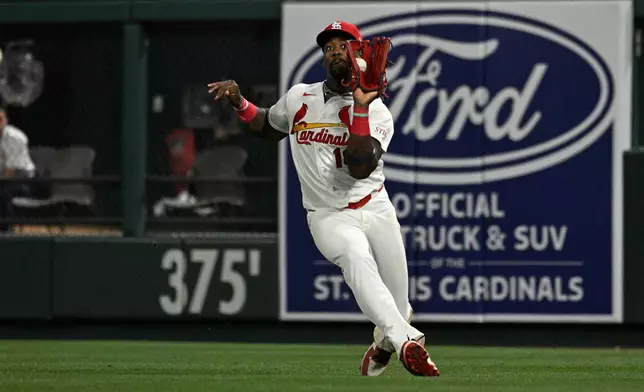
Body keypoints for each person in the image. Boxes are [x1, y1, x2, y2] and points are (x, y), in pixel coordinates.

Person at [207, 21, 440, 378]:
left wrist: (361, 106)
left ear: (360, 54)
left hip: (375, 207)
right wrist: (241, 103)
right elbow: (271, 126)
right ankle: (409, 343)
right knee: (355, 258)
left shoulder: (377, 111)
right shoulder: (301, 96)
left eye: (344, 45)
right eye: (329, 46)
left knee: (398, 305)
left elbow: (361, 166)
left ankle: (384, 342)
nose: (335, 51)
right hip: (328, 214)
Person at [0, 104, 36, 231]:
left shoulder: (15, 138)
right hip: (4, 180)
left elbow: (10, 172)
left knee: (2, 193)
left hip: (24, 182)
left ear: (5, 120)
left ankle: (5, 232)